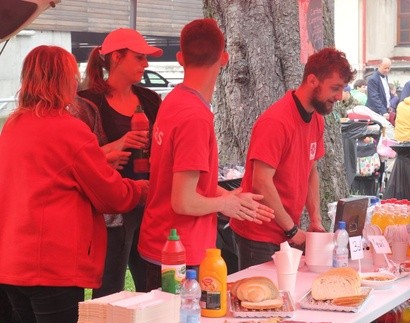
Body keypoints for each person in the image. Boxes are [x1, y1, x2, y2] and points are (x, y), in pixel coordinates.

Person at [0, 45, 148, 323]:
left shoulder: (13, 125)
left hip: (13, 263)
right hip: (53, 266)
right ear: (64, 79)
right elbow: (112, 197)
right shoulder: (70, 130)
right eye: (73, 75)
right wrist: (144, 188)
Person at [138, 18, 273, 288]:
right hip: (180, 256)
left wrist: (229, 196)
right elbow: (183, 201)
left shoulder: (173, 100)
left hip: (164, 245)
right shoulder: (195, 116)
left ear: (179, 58)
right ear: (224, 58)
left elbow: (186, 185)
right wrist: (226, 204)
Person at [230, 47, 355, 270]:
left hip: (287, 230)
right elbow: (261, 182)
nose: (339, 96)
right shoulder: (276, 121)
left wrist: (315, 220)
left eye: (342, 89)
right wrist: (291, 229)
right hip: (259, 234)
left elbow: (311, 171)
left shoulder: (316, 118)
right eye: (335, 88)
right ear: (313, 80)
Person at [78, 28, 162, 298]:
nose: (146, 64)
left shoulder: (150, 98)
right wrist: (119, 143)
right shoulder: (88, 102)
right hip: (111, 207)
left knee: (151, 285)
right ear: (116, 58)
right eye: (139, 57)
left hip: (149, 199)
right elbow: (79, 160)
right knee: (109, 286)